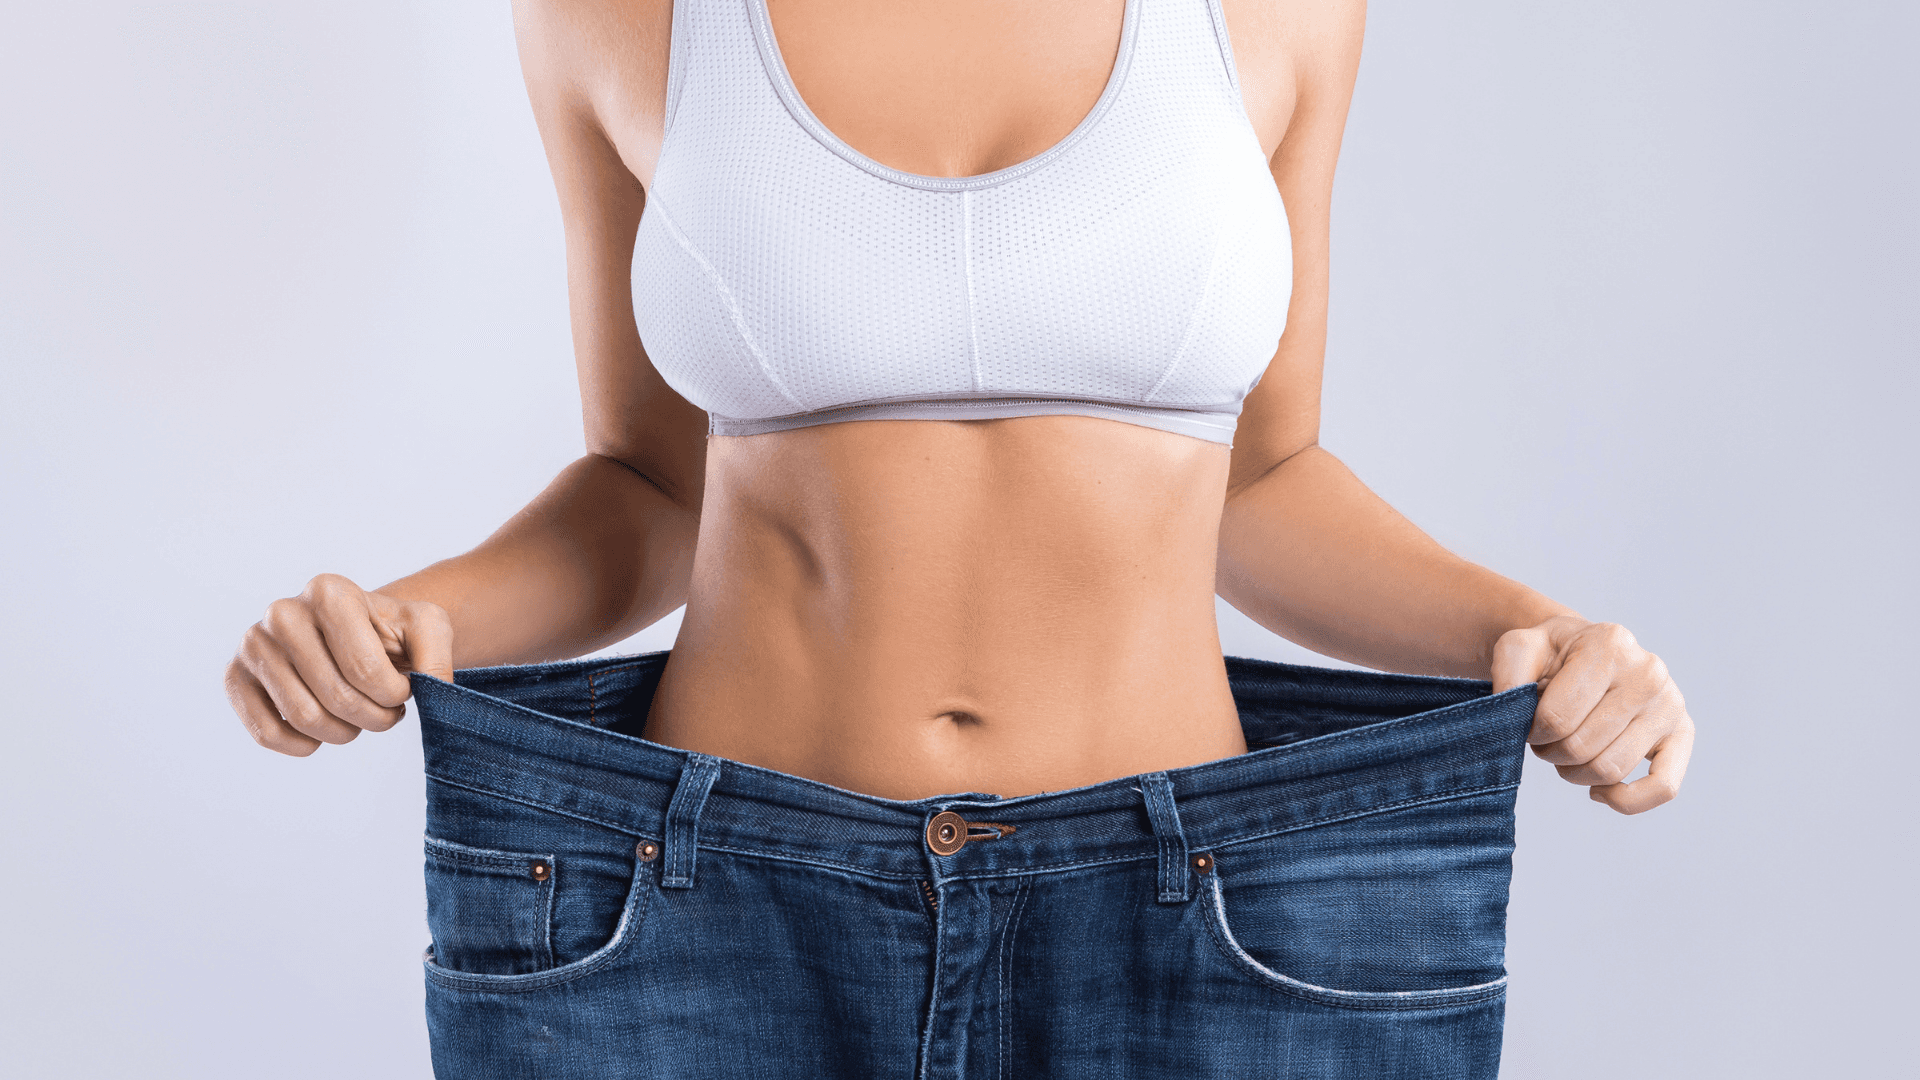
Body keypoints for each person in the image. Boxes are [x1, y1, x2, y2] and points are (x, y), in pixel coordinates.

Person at [224, 0, 1696, 1075]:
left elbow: (1265, 479)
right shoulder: (618, 14)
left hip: (1187, 919)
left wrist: (1536, 633)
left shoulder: (1279, 11)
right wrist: (417, 621)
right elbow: (646, 488)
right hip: (713, 913)